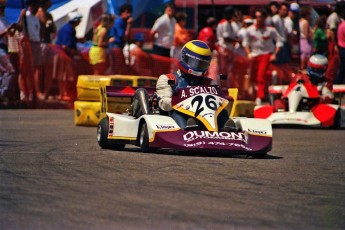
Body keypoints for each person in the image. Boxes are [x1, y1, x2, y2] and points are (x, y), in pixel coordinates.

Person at [155, 40, 235, 131]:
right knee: (178, 113)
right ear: (184, 57)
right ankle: (186, 131)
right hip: (178, 117)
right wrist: (180, 102)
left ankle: (228, 131)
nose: (197, 66)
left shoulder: (211, 83)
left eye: (202, 64)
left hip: (207, 117)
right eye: (194, 62)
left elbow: (219, 103)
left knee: (222, 113)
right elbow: (163, 104)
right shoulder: (168, 79)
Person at [242, 8, 283, 105]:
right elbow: (245, 43)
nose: (258, 19)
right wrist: (248, 53)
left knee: (260, 76)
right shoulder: (250, 30)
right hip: (254, 55)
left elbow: (279, 42)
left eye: (260, 17)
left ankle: (259, 97)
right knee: (252, 76)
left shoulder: (270, 30)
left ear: (265, 18)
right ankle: (271, 76)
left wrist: (274, 54)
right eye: (256, 17)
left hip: (265, 55)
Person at [55, 11, 82, 100]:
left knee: (64, 74)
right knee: (64, 74)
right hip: (63, 53)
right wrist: (73, 52)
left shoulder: (70, 29)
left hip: (64, 52)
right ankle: (63, 93)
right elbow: (65, 46)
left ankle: (63, 93)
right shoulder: (68, 29)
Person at [25, 0, 44, 100]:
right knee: (30, 69)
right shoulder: (26, 17)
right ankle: (30, 91)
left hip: (37, 42)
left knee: (38, 68)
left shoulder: (36, 18)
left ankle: (37, 91)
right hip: (30, 43)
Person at [299, 6, 313, 70]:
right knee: (305, 60)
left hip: (301, 42)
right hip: (306, 43)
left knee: (302, 57)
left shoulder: (300, 21)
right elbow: (307, 35)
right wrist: (313, 32)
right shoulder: (306, 22)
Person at [334, 9, 345, 84]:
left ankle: (337, 83)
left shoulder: (341, 25)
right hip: (344, 48)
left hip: (341, 48)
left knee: (342, 69)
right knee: (342, 70)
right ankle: (337, 83)